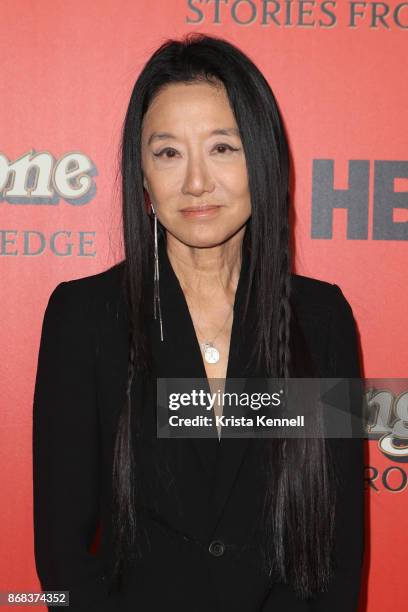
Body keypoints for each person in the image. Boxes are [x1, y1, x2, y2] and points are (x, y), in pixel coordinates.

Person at [32, 33, 365, 611]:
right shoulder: (83, 319)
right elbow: (62, 555)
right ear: (141, 175)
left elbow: (337, 547)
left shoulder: (321, 319)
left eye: (222, 148)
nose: (194, 183)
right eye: (168, 153)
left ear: (262, 159)